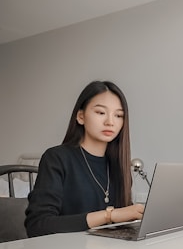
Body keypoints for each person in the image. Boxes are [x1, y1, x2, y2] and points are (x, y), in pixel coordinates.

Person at [25, 81, 144, 237]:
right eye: (101, 113)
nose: (110, 122)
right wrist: (110, 215)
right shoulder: (56, 158)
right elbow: (38, 225)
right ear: (81, 116)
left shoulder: (119, 166)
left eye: (119, 115)